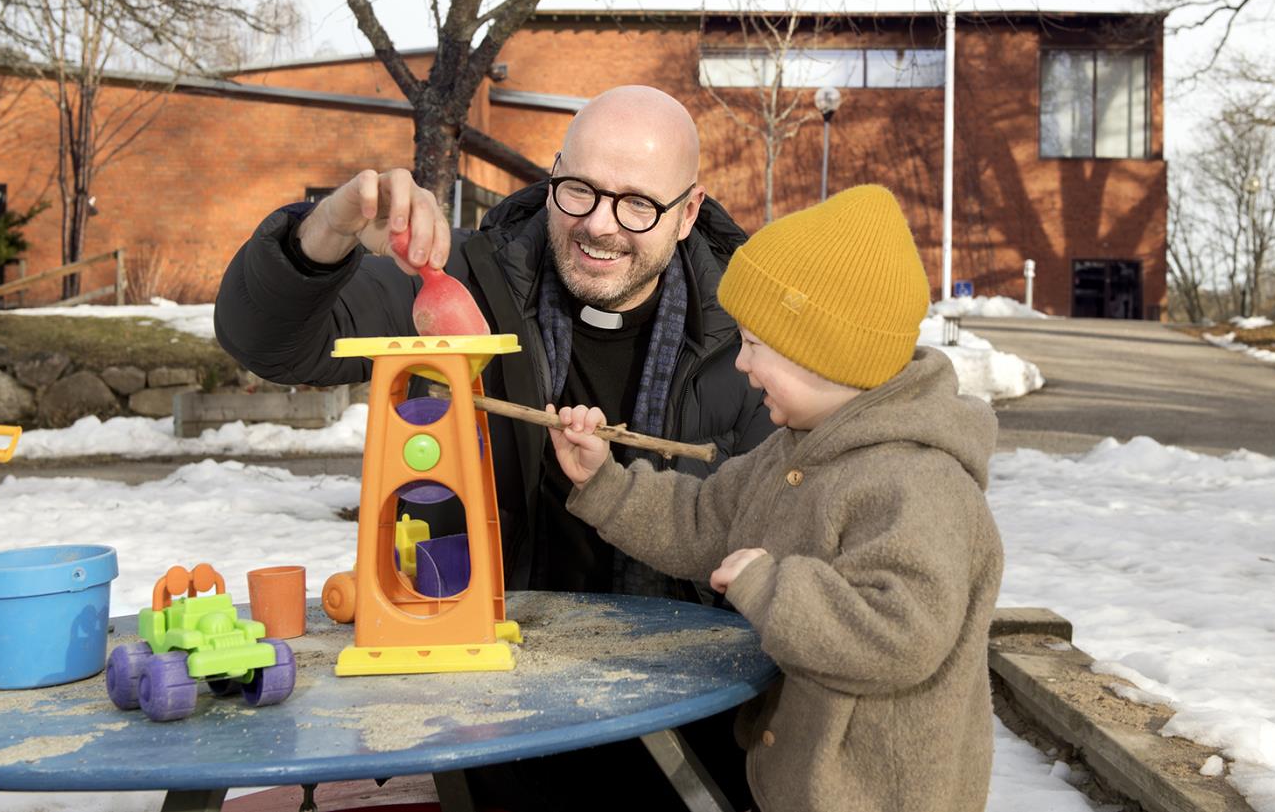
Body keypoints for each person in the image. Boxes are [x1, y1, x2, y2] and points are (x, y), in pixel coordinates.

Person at [214, 84, 774, 809]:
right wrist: (327, 230)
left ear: (689, 210)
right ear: (550, 178)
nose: (600, 225)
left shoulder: (755, 335)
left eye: (638, 203)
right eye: (578, 190)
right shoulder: (465, 282)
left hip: (699, 733)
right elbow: (270, 342)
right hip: (498, 723)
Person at [548, 185, 1005, 812]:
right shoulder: (794, 448)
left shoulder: (917, 484)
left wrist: (772, 588)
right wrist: (604, 482)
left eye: (756, 345)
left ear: (825, 354)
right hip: (796, 782)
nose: (740, 363)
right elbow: (706, 519)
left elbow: (899, 635)